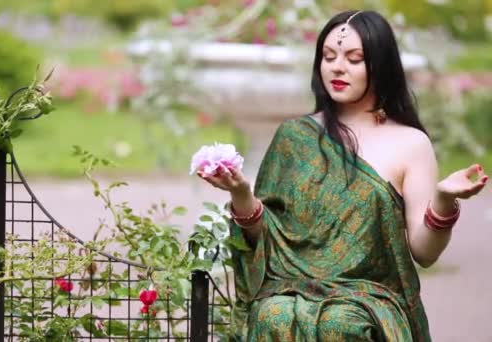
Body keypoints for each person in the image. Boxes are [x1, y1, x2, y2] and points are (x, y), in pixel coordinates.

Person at [197, 10, 489, 341]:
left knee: (341, 323)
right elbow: (267, 241)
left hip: (370, 296)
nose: (337, 67)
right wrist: (241, 195)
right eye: (328, 56)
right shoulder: (296, 137)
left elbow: (424, 253)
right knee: (273, 314)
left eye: (354, 58)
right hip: (290, 290)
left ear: (380, 66)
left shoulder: (410, 143)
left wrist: (444, 201)